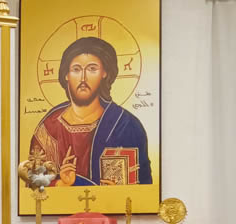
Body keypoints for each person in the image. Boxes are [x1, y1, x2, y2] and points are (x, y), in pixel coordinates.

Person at [29, 37, 152, 186]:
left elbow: (144, 189)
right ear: (66, 75)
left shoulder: (125, 125)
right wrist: (62, 183)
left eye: (92, 69)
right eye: (76, 69)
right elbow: (34, 187)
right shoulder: (49, 128)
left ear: (104, 73)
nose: (83, 78)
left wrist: (117, 192)